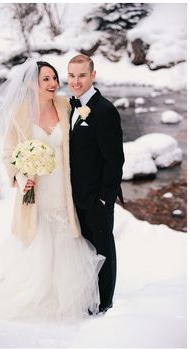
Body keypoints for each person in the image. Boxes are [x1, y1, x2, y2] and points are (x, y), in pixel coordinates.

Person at [0, 59, 105, 321]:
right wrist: (21, 178)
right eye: (46, 79)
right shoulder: (18, 113)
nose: (54, 84)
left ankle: (67, 298)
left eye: (54, 78)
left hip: (63, 190)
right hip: (36, 193)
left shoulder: (66, 106)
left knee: (65, 240)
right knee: (38, 241)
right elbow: (9, 153)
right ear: (32, 83)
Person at [68, 54, 125, 314]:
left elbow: (115, 160)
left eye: (81, 75)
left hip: (97, 198)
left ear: (93, 75)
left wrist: (104, 197)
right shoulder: (71, 107)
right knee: (85, 250)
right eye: (71, 75)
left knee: (104, 250)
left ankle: (105, 302)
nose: (76, 81)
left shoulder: (105, 110)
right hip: (75, 197)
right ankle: (88, 297)